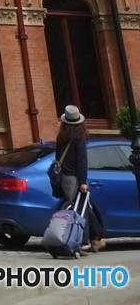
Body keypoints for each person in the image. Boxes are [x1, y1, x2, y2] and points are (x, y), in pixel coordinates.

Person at [53, 104, 104, 252]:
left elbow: (58, 157)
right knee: (80, 211)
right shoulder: (79, 137)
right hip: (75, 178)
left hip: (65, 178)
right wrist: (82, 181)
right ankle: (81, 242)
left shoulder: (61, 137)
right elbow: (82, 162)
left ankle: (96, 238)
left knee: (84, 207)